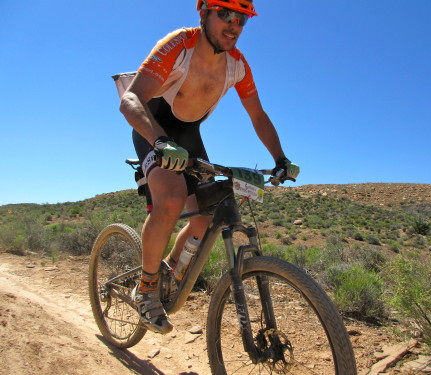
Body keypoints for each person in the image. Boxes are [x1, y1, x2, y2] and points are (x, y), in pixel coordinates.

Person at [119, 0, 300, 334]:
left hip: (189, 138)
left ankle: (171, 270)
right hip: (153, 129)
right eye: (225, 15)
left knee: (206, 214)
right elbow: (130, 100)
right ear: (203, 13)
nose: (234, 25)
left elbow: (258, 116)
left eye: (241, 19)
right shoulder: (179, 43)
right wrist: (159, 141)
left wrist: (280, 159)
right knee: (171, 199)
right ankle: (145, 288)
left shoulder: (238, 65)